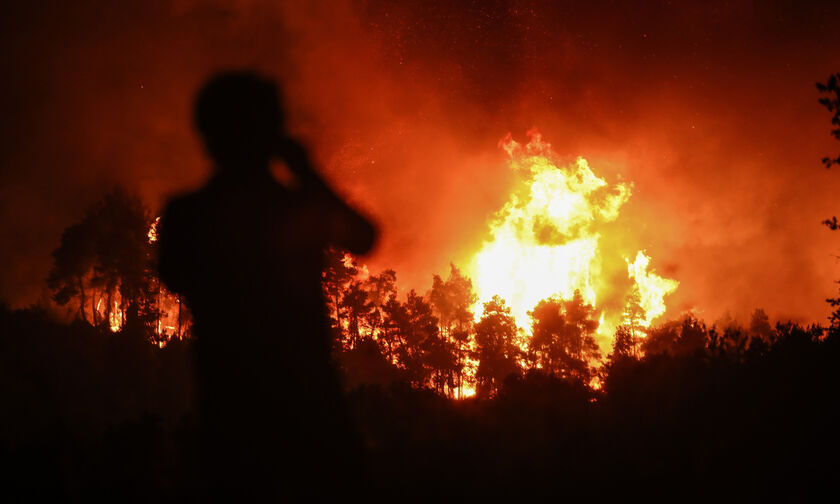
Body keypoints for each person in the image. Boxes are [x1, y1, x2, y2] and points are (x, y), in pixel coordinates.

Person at [157, 71, 376, 499]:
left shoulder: (188, 214)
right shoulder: (293, 207)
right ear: (275, 135)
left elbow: (175, 274)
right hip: (311, 414)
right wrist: (308, 174)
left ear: (206, 137)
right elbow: (363, 238)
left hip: (230, 418)